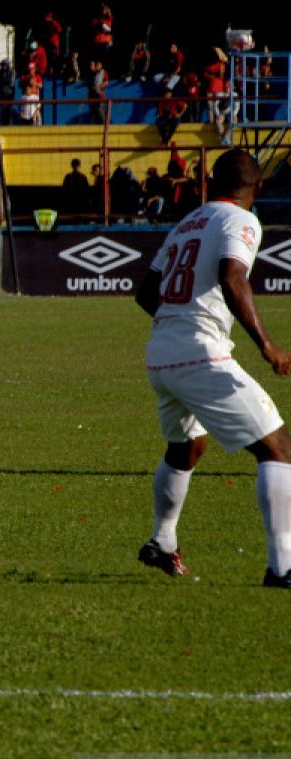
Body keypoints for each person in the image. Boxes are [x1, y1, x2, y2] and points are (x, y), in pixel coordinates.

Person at [134, 149, 291, 588]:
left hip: (162, 353)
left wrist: (176, 323)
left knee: (187, 447)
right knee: (278, 448)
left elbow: (146, 293)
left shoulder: (188, 222)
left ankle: (163, 542)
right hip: (201, 354)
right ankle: (284, 569)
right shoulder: (241, 220)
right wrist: (267, 345)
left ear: (209, 182)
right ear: (256, 189)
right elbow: (232, 276)